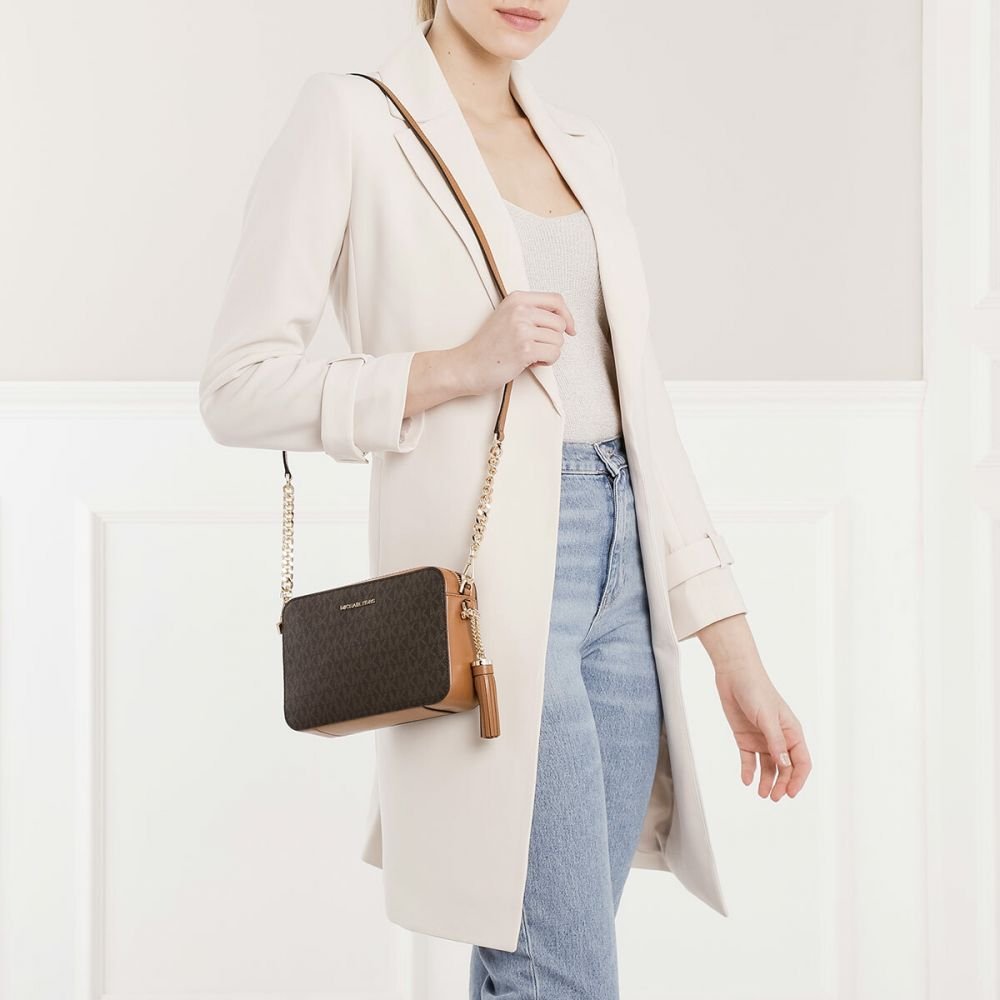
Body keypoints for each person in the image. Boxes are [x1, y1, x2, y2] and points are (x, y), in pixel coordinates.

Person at [199, 2, 813, 997]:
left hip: (627, 574)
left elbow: (643, 410)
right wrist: (453, 367)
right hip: (490, 590)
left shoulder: (584, 148)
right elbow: (237, 386)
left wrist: (732, 652)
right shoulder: (352, 118)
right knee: (560, 970)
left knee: (549, 959)